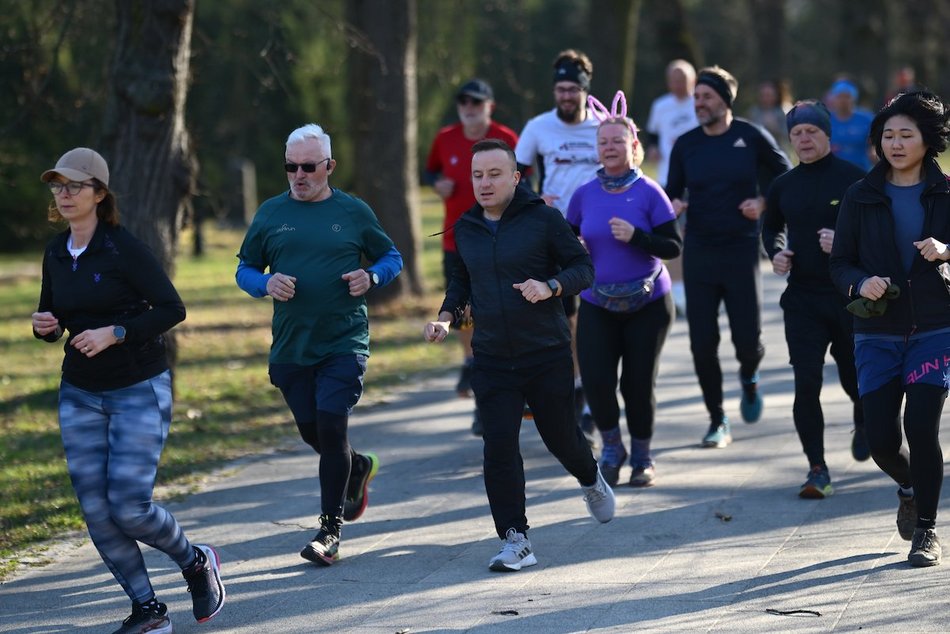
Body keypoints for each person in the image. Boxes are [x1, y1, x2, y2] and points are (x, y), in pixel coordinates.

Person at [33, 148, 225, 633]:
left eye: (75, 186)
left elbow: (170, 309)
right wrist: (45, 326)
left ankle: (195, 561)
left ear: (99, 193)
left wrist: (115, 332)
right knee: (97, 512)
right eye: (58, 186)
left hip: (138, 385)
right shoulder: (57, 252)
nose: (65, 194)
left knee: (129, 507)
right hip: (79, 391)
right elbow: (52, 316)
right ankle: (148, 609)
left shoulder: (125, 249)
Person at [424, 139, 614, 572]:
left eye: (494, 174)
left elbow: (584, 268)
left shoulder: (544, 220)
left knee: (560, 436)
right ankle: (515, 538)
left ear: (515, 177)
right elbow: (460, 283)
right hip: (491, 358)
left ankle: (589, 476)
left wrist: (550, 287)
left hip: (545, 353)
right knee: (499, 446)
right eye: (477, 175)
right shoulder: (466, 228)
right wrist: (446, 318)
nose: (484, 183)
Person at [236, 123, 403, 566]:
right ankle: (357, 466)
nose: (299, 175)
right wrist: (266, 282)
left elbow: (391, 256)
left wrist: (372, 276)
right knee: (314, 432)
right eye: (291, 167)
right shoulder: (271, 213)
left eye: (309, 167)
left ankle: (329, 531)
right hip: (292, 345)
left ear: (329, 166)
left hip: (344, 340)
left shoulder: (353, 212)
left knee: (330, 428)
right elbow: (245, 269)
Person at [829, 90, 950, 567]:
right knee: (880, 439)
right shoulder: (861, 195)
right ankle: (909, 488)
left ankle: (927, 531)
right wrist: (861, 282)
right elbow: (840, 263)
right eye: (887, 135)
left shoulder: (946, 192)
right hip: (876, 332)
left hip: (936, 326)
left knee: (921, 426)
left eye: (906, 134)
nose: (895, 143)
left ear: (928, 139)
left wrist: (946, 251)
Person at [666, 65, 792, 448]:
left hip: (740, 250)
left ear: (725, 99)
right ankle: (717, 417)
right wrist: (675, 205)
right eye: (696, 98)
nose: (698, 103)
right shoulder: (686, 144)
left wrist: (765, 200)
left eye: (705, 96)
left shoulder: (750, 136)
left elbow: (785, 177)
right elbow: (673, 192)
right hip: (700, 251)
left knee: (747, 341)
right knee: (702, 343)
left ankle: (749, 377)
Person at [567, 91, 682, 487]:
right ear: (597, 150)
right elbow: (565, 243)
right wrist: (574, 249)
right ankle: (613, 447)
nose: (610, 147)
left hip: (648, 301)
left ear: (634, 146)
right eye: (603, 142)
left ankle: (644, 456)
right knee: (597, 381)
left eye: (618, 141)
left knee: (637, 383)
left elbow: (673, 246)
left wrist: (638, 237)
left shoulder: (650, 191)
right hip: (597, 302)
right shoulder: (584, 194)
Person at [762, 100, 869, 499]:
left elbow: (878, 236)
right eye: (796, 134)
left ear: (827, 136)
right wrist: (774, 252)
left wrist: (844, 242)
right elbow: (770, 227)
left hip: (848, 299)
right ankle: (817, 469)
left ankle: (864, 421)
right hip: (803, 299)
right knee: (805, 383)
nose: (804, 140)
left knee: (855, 380)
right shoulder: (783, 185)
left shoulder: (854, 180)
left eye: (812, 132)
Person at [425, 78, 519, 435]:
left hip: (500, 240)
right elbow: (430, 169)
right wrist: (437, 184)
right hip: (456, 239)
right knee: (465, 309)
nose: (469, 108)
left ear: (489, 106)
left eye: (476, 103)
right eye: (464, 102)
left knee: (501, 319)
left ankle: (513, 395)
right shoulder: (445, 138)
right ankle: (471, 365)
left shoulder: (506, 137)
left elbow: (525, 177)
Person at [514, 48, 600, 433]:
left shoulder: (604, 125)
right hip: (555, 235)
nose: (566, 96)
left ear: (585, 90)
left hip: (600, 233)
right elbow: (514, 174)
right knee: (566, 318)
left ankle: (590, 395)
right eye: (560, 89)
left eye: (573, 90)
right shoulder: (539, 127)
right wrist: (535, 199)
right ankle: (574, 396)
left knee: (595, 319)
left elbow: (628, 163)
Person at [645, 59, 699, 317]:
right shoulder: (661, 105)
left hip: (700, 179)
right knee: (675, 235)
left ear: (693, 80)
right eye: (674, 79)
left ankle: (703, 286)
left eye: (683, 79)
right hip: (671, 180)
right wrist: (653, 148)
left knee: (699, 233)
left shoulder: (699, 103)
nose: (678, 84)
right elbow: (652, 135)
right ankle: (678, 293)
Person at [827, 78, 875, 171]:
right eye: (839, 96)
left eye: (847, 96)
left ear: (854, 98)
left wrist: (874, 151)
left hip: (861, 173)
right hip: (833, 173)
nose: (843, 100)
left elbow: (875, 143)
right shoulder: (826, 120)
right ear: (834, 98)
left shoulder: (866, 119)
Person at [746, 79, 793, 148]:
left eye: (768, 95)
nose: (765, 99)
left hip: (781, 150)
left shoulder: (785, 111)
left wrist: (776, 128)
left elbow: (791, 135)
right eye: (762, 95)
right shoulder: (754, 112)